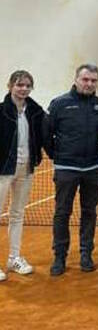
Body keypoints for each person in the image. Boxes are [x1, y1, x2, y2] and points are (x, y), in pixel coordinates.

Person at [44, 64, 98, 276]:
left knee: (89, 212)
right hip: (66, 169)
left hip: (93, 169)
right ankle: (59, 256)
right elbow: (46, 133)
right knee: (62, 213)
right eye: (85, 79)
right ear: (76, 79)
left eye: (93, 80)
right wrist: (58, 156)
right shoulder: (60, 104)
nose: (89, 84)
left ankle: (86, 254)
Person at [0, 70, 45, 280]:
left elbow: (44, 137)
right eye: (19, 85)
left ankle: (14, 258)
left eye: (28, 85)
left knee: (17, 214)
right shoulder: (1, 111)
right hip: (3, 170)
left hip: (25, 170)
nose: (23, 89)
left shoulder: (35, 112)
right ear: (10, 86)